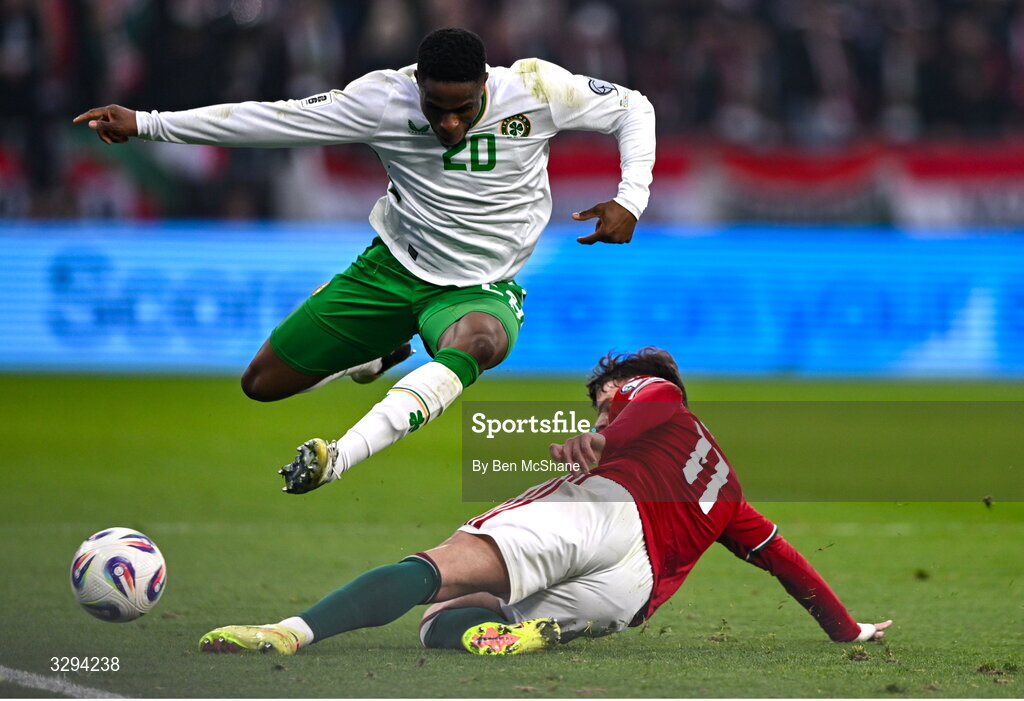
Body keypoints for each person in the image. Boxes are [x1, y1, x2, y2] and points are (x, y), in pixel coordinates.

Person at [72, 27, 656, 492]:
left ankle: (338, 458)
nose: (448, 124)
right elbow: (275, 120)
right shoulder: (381, 99)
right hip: (393, 266)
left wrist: (630, 199)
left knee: (479, 341)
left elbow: (634, 107)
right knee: (262, 384)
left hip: (480, 285)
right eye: (436, 108)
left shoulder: (536, 88)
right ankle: (378, 351)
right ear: (417, 85)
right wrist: (148, 124)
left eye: (463, 108)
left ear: (486, 83)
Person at [196, 347, 892, 656]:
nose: (598, 407)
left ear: (623, 382)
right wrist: (846, 627)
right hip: (631, 593)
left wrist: (601, 437)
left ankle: (289, 631)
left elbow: (639, 410)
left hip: (601, 511)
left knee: (440, 571)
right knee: (449, 623)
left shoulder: (653, 392)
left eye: (601, 396)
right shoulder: (729, 489)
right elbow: (782, 558)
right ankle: (544, 628)